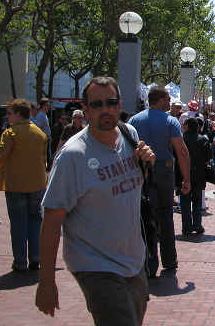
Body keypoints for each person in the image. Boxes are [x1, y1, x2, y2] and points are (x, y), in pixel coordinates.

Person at [35, 76, 156, 324]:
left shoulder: (128, 133)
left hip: (133, 260)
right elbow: (51, 221)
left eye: (111, 103)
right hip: (95, 266)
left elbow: (136, 186)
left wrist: (147, 161)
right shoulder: (73, 156)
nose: (105, 110)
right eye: (97, 104)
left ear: (120, 104)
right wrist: (46, 282)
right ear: (86, 109)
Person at [129, 86, 190, 276]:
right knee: (165, 215)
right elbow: (181, 150)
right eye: (168, 98)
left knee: (144, 214)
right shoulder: (170, 121)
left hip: (141, 169)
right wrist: (186, 178)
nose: (170, 102)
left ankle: (149, 262)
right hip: (164, 169)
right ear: (161, 99)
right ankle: (169, 260)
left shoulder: (134, 120)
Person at [0, 98, 48, 272]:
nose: (7, 116)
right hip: (37, 183)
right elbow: (44, 160)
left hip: (16, 185)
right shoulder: (40, 133)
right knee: (35, 222)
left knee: (18, 224)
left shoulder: (10, 133)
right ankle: (36, 257)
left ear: (18, 114)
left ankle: (20, 262)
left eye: (9, 113)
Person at [181, 117, 211, 236]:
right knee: (197, 201)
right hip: (199, 174)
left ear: (187, 126)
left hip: (183, 174)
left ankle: (187, 227)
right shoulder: (203, 140)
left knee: (185, 201)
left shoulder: (181, 139)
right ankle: (197, 225)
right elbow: (208, 157)